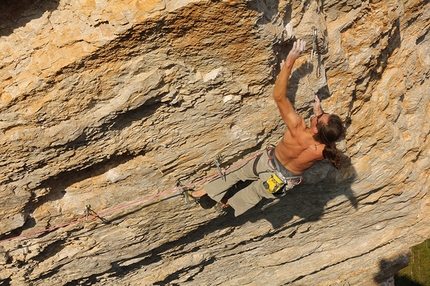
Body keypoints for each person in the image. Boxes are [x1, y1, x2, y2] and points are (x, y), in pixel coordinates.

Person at [190, 39, 346, 216]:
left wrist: (289, 62)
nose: (317, 114)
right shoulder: (326, 150)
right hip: (284, 181)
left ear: (317, 129)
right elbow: (329, 138)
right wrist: (319, 114)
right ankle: (227, 206)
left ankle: (201, 193)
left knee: (236, 174)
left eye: (319, 117)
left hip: (267, 163)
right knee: (255, 193)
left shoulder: (297, 127)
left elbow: (279, 96)